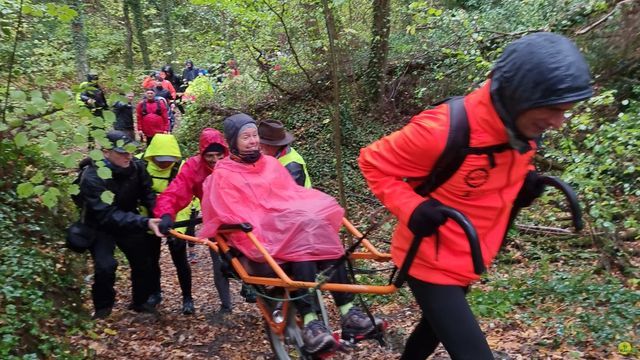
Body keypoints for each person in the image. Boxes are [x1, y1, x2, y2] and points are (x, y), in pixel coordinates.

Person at [358, 32, 593, 360]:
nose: (558, 122)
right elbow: (372, 160)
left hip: (470, 254)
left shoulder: (523, 128)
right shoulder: (440, 130)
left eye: (565, 110)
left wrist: (521, 185)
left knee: (432, 330)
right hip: (430, 258)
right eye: (553, 110)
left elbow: (486, 179)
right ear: (515, 97)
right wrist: (412, 206)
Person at [199, 113, 382, 355]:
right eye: (246, 137)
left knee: (316, 226)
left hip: (282, 231)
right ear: (233, 142)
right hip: (254, 242)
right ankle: (309, 321)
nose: (253, 141)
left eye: (255, 135)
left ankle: (348, 310)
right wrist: (275, 223)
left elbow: (290, 198)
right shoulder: (223, 175)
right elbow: (230, 213)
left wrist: (300, 217)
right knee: (300, 233)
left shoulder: (272, 165)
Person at [76, 130, 163, 319]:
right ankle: (103, 308)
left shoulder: (137, 167)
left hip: (129, 220)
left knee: (143, 261)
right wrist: (145, 222)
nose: (128, 156)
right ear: (106, 152)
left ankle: (140, 302)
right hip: (100, 225)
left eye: (130, 151)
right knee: (105, 266)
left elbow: (148, 193)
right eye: (122, 152)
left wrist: (161, 216)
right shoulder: (92, 176)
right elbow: (106, 215)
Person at [153, 128, 237, 314]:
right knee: (219, 263)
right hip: (215, 222)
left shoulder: (234, 162)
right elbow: (176, 191)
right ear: (202, 153)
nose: (215, 160)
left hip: (242, 218)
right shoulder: (194, 167)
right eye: (210, 155)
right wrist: (166, 214)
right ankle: (226, 305)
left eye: (218, 155)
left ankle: (257, 292)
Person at [138, 134, 198, 315]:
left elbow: (186, 200)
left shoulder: (181, 167)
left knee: (180, 261)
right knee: (151, 259)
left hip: (176, 218)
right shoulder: (140, 165)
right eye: (161, 160)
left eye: (169, 160)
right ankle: (155, 293)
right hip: (149, 219)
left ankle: (187, 297)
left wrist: (177, 230)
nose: (165, 163)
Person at [258, 119, 311, 188]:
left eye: (262, 144)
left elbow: (291, 195)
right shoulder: (273, 153)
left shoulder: (292, 167)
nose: (259, 147)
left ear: (272, 145)